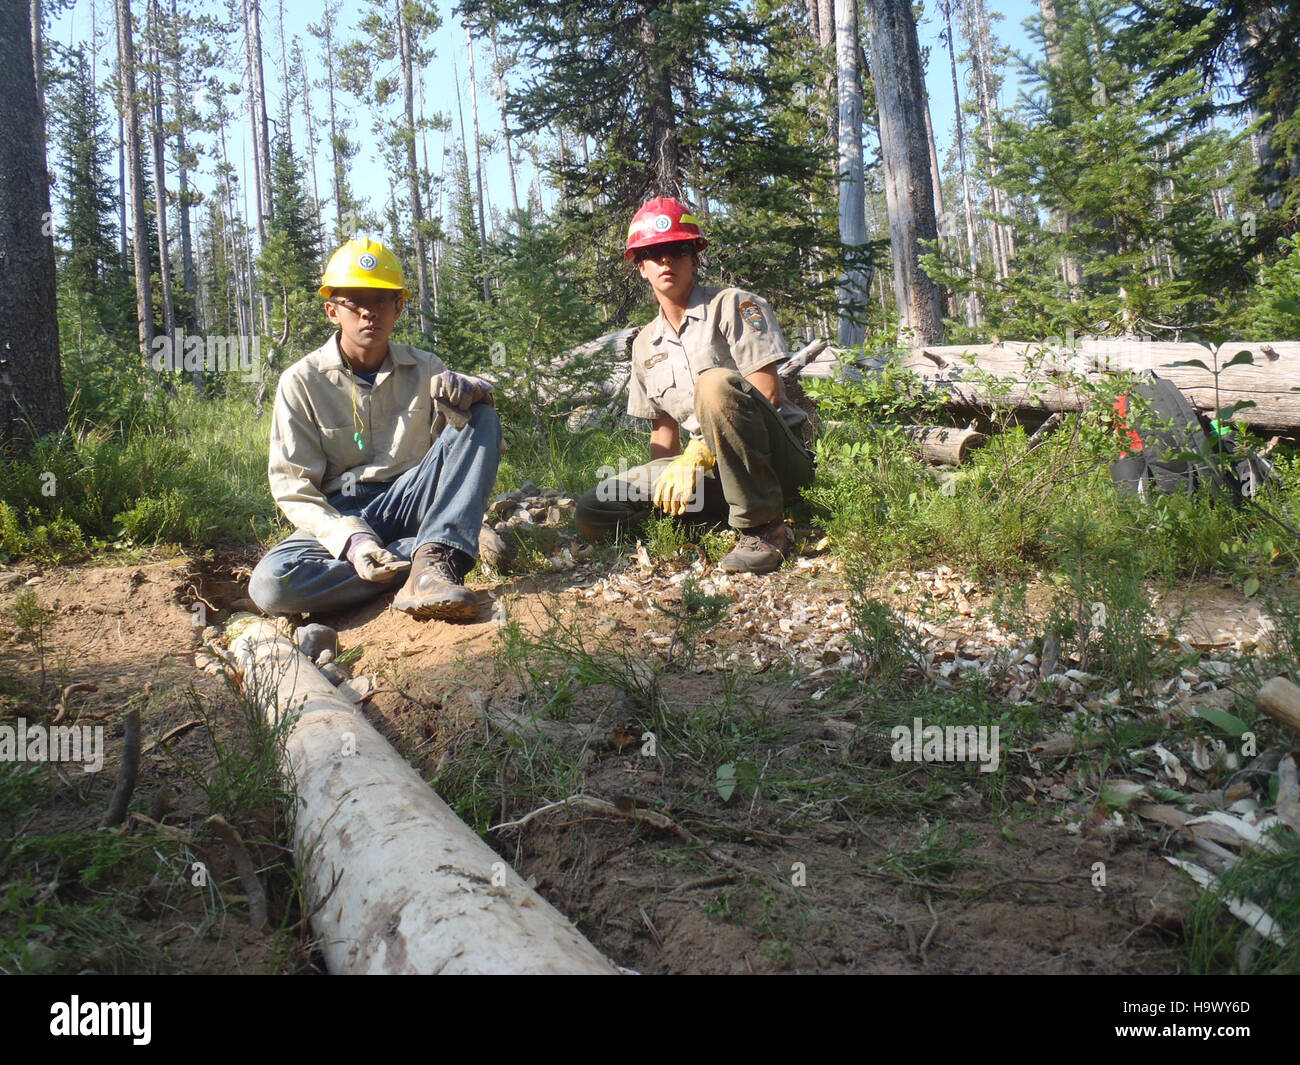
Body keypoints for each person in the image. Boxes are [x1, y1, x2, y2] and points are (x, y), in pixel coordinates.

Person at [247, 237, 500, 622]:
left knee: (482, 416)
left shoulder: (428, 368)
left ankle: (434, 559)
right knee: (272, 584)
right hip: (341, 512)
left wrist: (476, 392)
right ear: (333, 311)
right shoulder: (300, 381)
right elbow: (293, 488)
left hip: (411, 496)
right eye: (356, 301)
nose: (370, 312)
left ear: (399, 308)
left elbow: (454, 453)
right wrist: (352, 540)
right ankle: (421, 556)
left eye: (382, 300)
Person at [575, 198, 814, 573]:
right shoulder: (644, 345)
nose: (666, 260)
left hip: (774, 461)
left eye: (676, 249)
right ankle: (707, 518)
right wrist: (664, 488)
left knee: (715, 383)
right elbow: (663, 433)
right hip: (710, 473)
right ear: (641, 267)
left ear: (694, 257)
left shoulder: (734, 305)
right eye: (653, 253)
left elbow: (767, 392)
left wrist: (699, 451)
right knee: (595, 506)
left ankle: (765, 529)